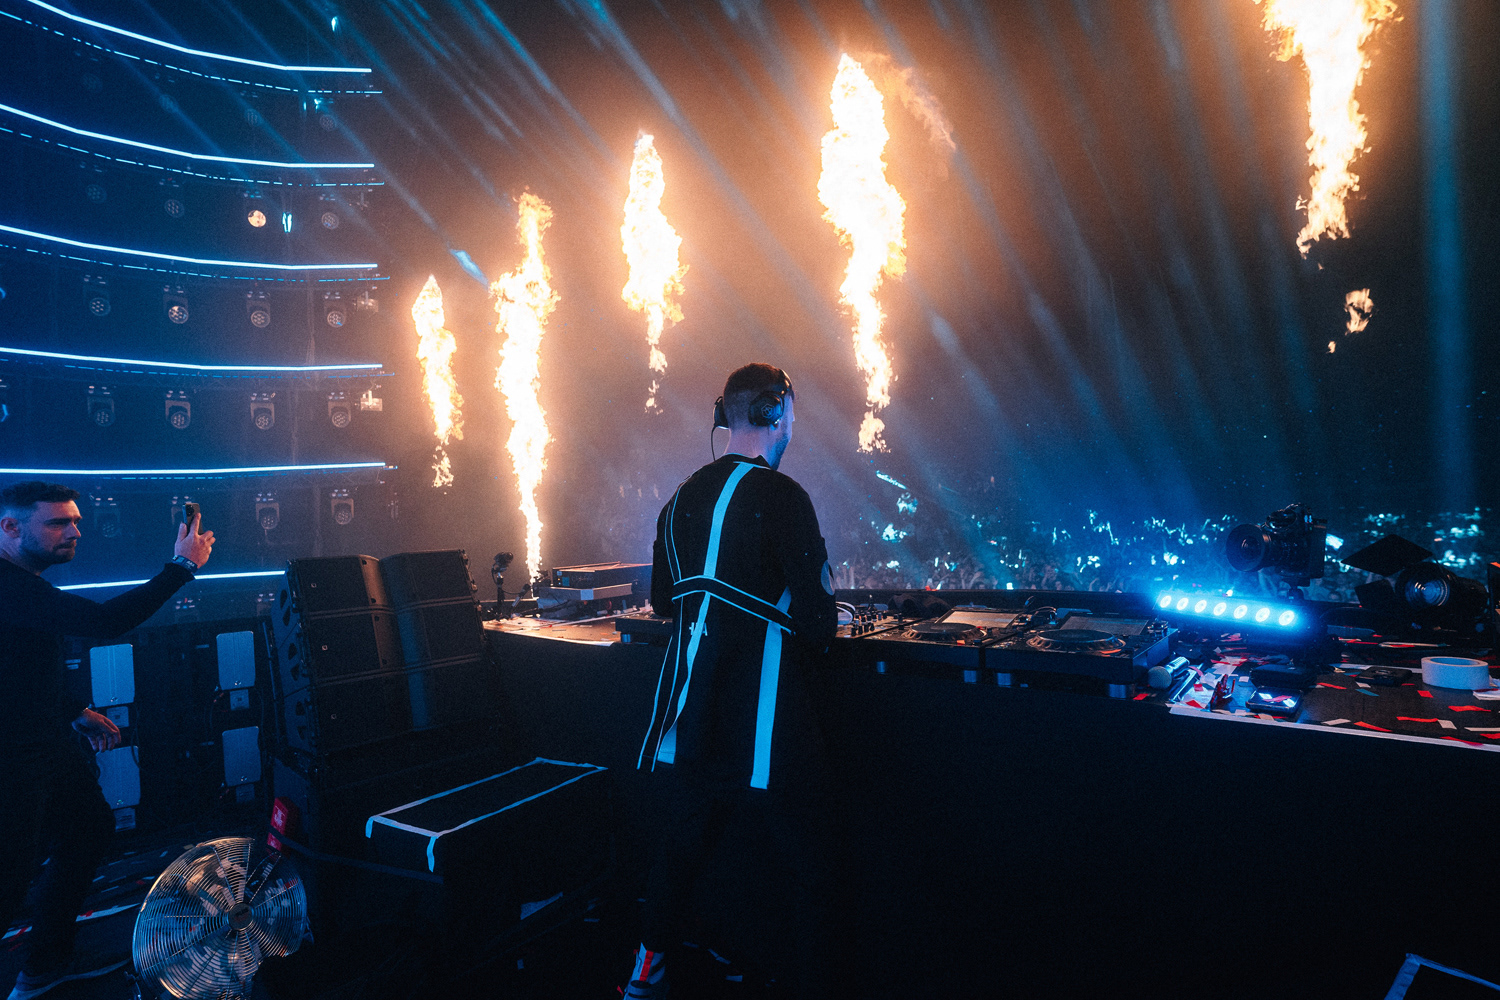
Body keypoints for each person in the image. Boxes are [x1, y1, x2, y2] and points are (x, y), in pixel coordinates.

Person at [624, 364, 837, 999]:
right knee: (811, 862)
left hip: (694, 716)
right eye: (790, 412)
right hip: (766, 724)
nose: (792, 424)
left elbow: (665, 601)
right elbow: (820, 624)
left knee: (683, 848)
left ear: (725, 414)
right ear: (774, 412)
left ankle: (645, 974)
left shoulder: (679, 499)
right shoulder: (786, 497)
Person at [0, 482, 213, 1000]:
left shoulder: (24, 586)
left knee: (88, 828)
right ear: (9, 527)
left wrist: (73, 710)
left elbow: (19, 660)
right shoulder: (9, 586)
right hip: (13, 757)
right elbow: (103, 622)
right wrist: (180, 568)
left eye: (75, 521)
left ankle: (44, 966)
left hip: (44, 742)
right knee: (9, 878)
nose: (74, 531)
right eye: (58, 522)